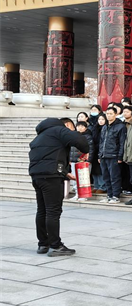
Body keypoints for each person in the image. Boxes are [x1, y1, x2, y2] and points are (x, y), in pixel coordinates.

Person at [29, 118, 89, 256]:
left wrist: (64, 173)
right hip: (51, 177)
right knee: (53, 211)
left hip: (37, 176)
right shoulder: (59, 130)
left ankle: (43, 244)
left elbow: (48, 157)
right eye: (71, 128)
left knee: (42, 210)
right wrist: (84, 148)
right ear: (67, 125)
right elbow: (81, 142)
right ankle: (55, 245)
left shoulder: (40, 137)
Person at [98, 107, 126, 204]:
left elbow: (122, 143)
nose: (108, 115)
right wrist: (100, 155)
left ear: (116, 114)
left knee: (114, 177)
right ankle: (109, 195)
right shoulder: (104, 127)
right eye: (107, 113)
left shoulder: (120, 127)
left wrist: (120, 156)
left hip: (114, 155)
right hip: (104, 155)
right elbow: (101, 142)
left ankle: (115, 196)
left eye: (111, 113)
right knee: (106, 177)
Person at [68, 121, 94, 201]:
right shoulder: (73, 136)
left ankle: (84, 195)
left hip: (83, 161)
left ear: (85, 128)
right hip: (74, 160)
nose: (80, 128)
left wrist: (89, 160)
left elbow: (91, 149)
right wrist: (69, 159)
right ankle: (77, 194)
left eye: (82, 126)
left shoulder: (88, 137)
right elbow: (70, 148)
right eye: (78, 126)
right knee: (75, 178)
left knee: (83, 178)